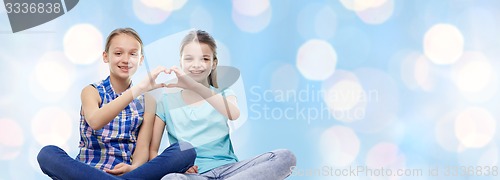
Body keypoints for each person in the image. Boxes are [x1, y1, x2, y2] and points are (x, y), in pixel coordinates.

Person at [37, 27, 196, 180]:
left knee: (185, 150)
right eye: (118, 53)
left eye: (133, 54)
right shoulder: (92, 91)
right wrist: (138, 89)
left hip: (127, 171)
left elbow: (143, 147)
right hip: (87, 170)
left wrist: (135, 167)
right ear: (106, 57)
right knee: (47, 154)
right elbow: (95, 121)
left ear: (140, 60)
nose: (126, 60)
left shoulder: (148, 100)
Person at [151, 30, 296, 180]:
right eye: (189, 59)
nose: (196, 65)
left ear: (214, 63)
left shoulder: (224, 93)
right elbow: (153, 151)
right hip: (193, 176)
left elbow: (234, 114)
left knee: (285, 157)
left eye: (204, 59)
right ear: (180, 62)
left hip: (231, 171)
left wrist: (195, 86)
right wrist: (178, 166)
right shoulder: (165, 102)